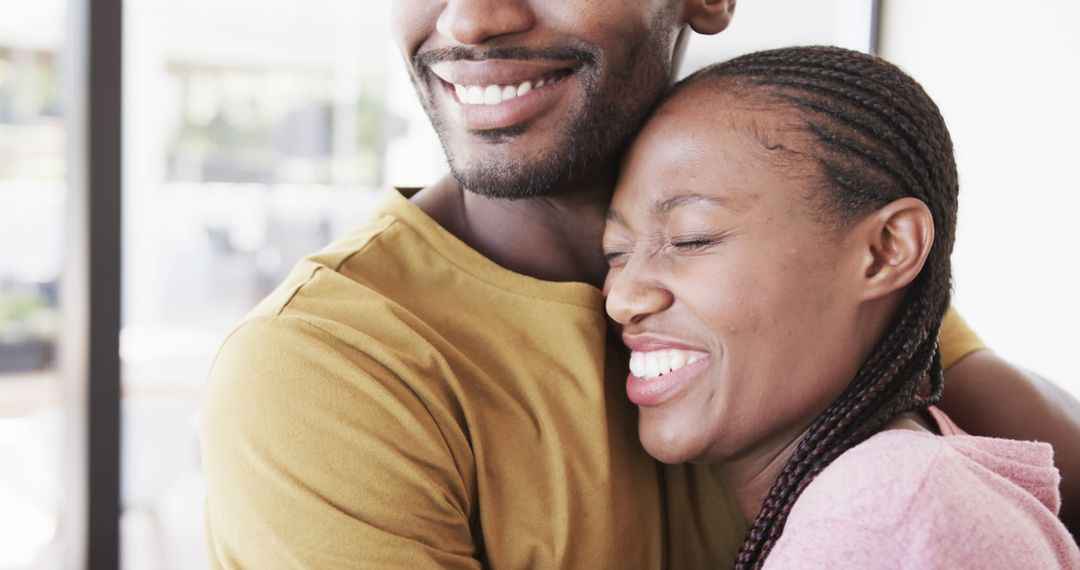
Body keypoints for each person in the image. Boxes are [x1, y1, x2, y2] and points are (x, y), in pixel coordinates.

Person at [200, 1, 1080, 567]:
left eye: (692, 239)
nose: (469, 20)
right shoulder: (332, 366)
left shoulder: (799, 248)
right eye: (625, 256)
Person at [603, 45, 1080, 569]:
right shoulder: (902, 493)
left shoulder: (880, 519)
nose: (622, 297)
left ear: (884, 250)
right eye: (615, 253)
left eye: (690, 239)